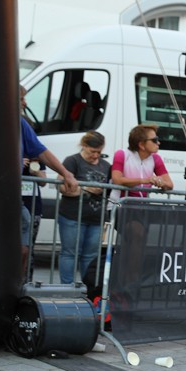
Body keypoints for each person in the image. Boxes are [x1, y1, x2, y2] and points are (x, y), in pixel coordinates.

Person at [20, 103, 78, 277]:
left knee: (24, 250)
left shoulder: (21, 124)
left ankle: (18, 287)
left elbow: (42, 155)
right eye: (21, 98)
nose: (25, 103)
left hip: (24, 203)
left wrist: (66, 174)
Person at [57, 131, 110, 285]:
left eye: (99, 152)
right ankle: (66, 289)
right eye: (92, 151)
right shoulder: (72, 161)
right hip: (72, 216)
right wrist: (88, 189)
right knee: (70, 253)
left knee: (91, 256)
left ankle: (88, 290)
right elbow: (61, 186)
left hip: (96, 219)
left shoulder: (106, 165)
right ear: (84, 146)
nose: (96, 155)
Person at [111, 123, 173, 197]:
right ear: (141, 145)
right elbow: (116, 180)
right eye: (155, 140)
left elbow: (170, 185)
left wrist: (161, 182)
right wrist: (145, 180)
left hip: (142, 205)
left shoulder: (156, 158)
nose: (158, 143)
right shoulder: (121, 154)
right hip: (119, 204)